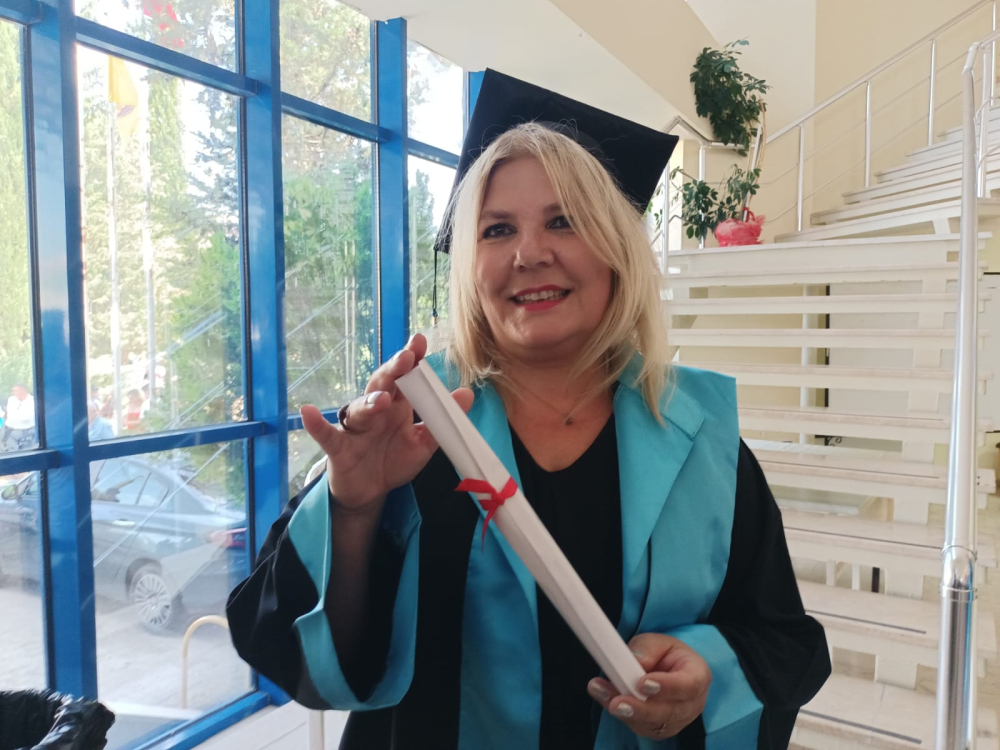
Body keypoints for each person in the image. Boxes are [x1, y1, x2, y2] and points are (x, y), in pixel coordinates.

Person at [227, 70, 830, 749]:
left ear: (616, 250)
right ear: (470, 265)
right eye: (497, 229)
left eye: (563, 221)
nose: (529, 253)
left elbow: (783, 638)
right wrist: (354, 507)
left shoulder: (699, 437)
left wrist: (708, 670)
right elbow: (287, 640)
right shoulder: (410, 421)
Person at [1, 384, 36, 452]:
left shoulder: (32, 400)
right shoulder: (11, 399)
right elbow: (10, 414)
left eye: (16, 391)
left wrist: (15, 416)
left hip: (28, 431)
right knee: (11, 450)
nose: (13, 393)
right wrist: (17, 415)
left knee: (26, 450)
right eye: (13, 391)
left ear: (23, 391)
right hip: (11, 430)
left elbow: (26, 417)